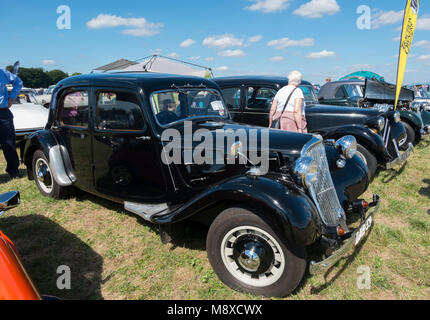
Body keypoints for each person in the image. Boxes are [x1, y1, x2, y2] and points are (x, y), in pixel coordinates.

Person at [0, 68, 23, 179]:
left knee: (9, 143)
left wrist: (11, 98)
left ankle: (13, 170)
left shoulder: (2, 72)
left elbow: (18, 82)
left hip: (3, 113)